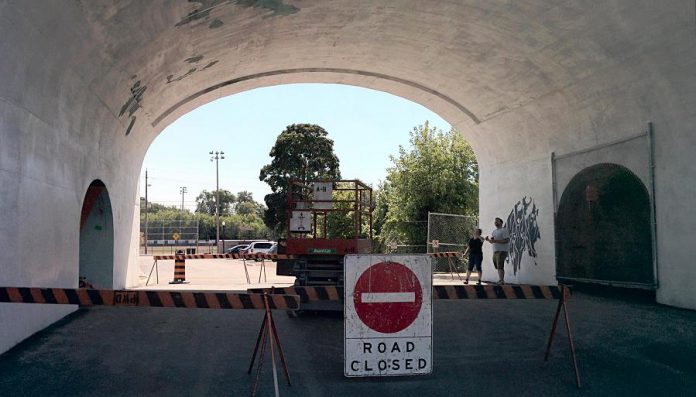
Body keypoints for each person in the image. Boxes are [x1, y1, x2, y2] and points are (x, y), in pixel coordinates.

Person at [485, 217, 510, 285]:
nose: (496, 222)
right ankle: (500, 280)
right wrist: (488, 240)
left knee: (500, 266)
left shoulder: (504, 230)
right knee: (497, 266)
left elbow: (507, 240)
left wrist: (496, 241)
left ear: (501, 223)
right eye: (495, 221)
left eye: (497, 221)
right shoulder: (494, 231)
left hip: (502, 251)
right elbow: (492, 242)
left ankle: (501, 280)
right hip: (495, 251)